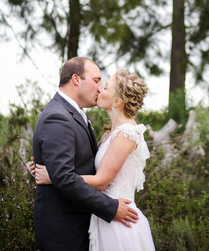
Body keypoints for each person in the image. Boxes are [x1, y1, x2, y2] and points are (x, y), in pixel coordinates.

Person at [33, 68, 155, 251]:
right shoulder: (110, 133)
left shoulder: (126, 134)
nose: (99, 89)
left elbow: (99, 181)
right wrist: (51, 163)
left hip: (119, 221)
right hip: (103, 216)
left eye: (105, 87)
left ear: (118, 100)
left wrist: (53, 176)